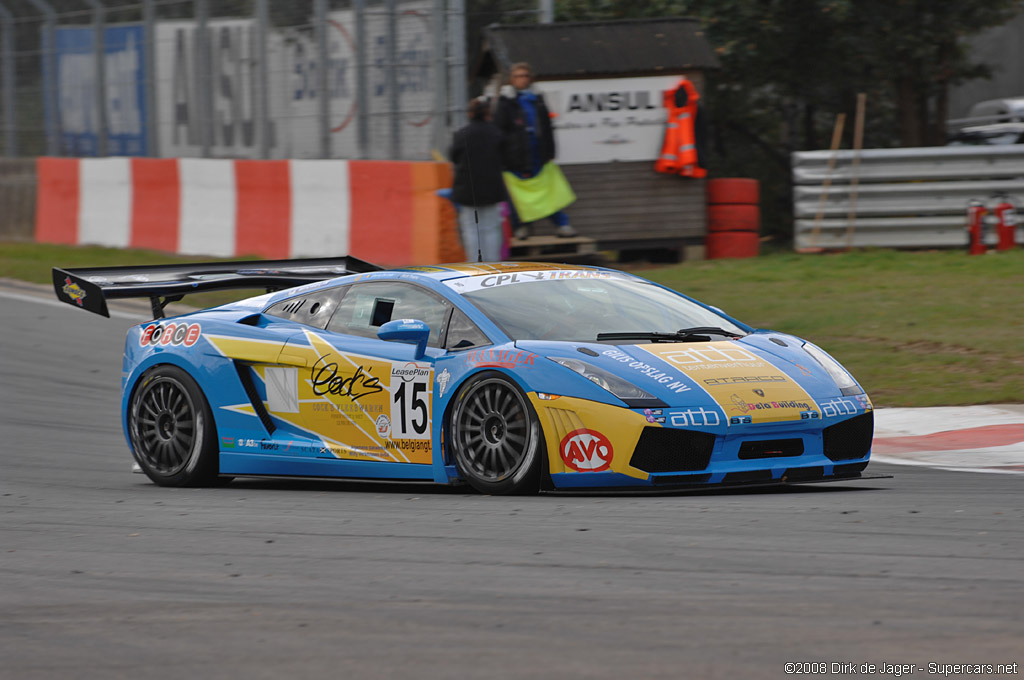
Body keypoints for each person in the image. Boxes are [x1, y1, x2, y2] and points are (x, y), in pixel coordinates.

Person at [494, 62, 577, 239]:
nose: (522, 80)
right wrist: (502, 159)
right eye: (518, 76)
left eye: (525, 76)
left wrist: (550, 151)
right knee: (519, 197)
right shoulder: (505, 103)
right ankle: (522, 227)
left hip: (538, 154)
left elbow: (547, 127)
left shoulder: (537, 99)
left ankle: (562, 224)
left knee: (548, 192)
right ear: (511, 79)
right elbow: (499, 132)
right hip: (515, 157)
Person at [449, 96, 507, 262]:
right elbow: (506, 157)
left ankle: (475, 265)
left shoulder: (462, 134)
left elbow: (454, 156)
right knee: (491, 228)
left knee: (471, 228)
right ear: (488, 113)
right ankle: (493, 265)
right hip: (491, 187)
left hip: (467, 189)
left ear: (470, 114)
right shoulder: (496, 133)